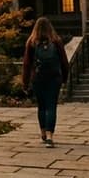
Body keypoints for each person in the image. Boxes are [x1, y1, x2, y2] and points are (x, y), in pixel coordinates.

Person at [21, 17, 70, 147]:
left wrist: (25, 82)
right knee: (51, 106)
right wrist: (64, 77)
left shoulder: (31, 42)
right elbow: (64, 62)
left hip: (38, 78)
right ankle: (50, 136)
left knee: (42, 106)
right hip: (54, 78)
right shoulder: (56, 41)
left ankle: (42, 131)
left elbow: (26, 64)